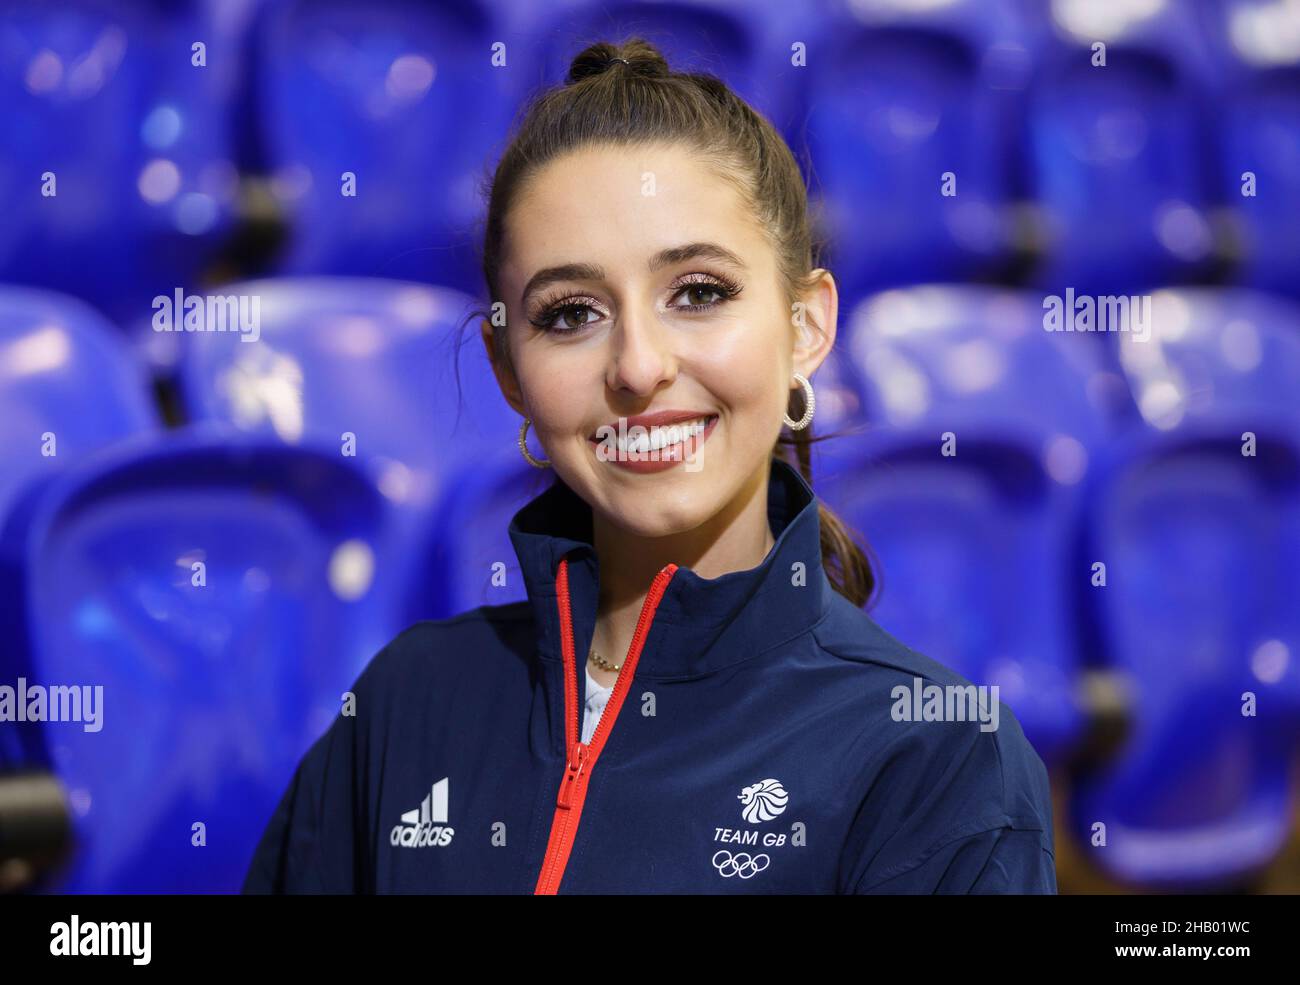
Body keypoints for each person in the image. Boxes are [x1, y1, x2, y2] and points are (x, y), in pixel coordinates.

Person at [242, 38, 1057, 894]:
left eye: (699, 292)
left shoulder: (941, 758)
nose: (637, 365)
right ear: (508, 369)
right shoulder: (407, 699)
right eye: (570, 314)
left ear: (807, 326)